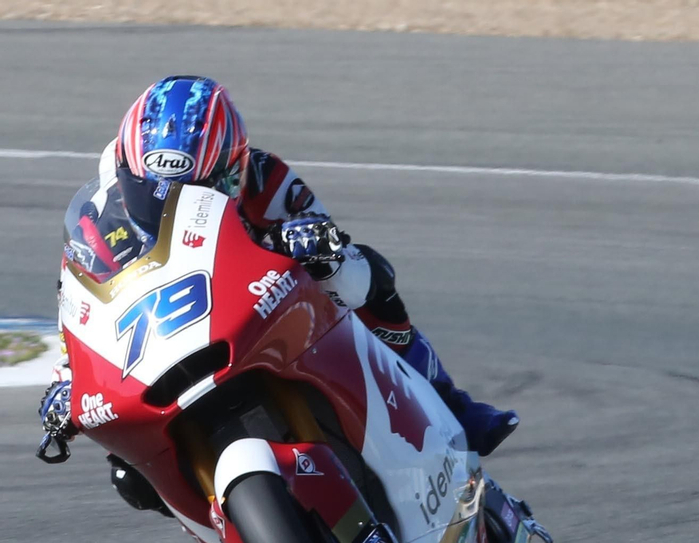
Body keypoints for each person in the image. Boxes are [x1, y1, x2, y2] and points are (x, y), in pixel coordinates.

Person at [39, 76, 518, 510]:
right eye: (156, 190)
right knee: (130, 477)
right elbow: (78, 302)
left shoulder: (267, 179)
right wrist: (65, 380)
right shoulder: (101, 213)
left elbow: (332, 243)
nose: (172, 202)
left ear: (233, 167)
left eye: (200, 187)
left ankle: (448, 402)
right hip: (159, 341)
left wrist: (317, 246)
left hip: (257, 314)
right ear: (128, 171)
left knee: (367, 278)